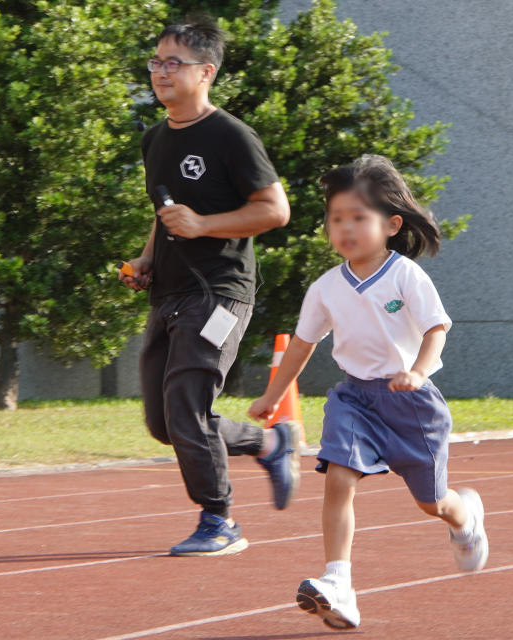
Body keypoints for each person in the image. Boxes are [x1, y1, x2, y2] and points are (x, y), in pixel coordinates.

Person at [248, 155, 488, 629]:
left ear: (392, 224)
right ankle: (339, 583)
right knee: (339, 475)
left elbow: (437, 328)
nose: (346, 228)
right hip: (354, 398)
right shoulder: (325, 288)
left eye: (359, 217)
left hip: (411, 404)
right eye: (337, 218)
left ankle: (465, 519)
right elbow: (301, 345)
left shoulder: (405, 276)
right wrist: (273, 395)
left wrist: (418, 372)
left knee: (430, 503)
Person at [119, 19, 301, 557]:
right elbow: (165, 212)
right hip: (169, 294)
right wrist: (147, 258)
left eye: (173, 62)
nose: (161, 72)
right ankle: (270, 443)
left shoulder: (231, 135)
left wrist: (203, 225)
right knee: (164, 422)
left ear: (207, 71)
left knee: (187, 404)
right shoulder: (154, 139)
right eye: (155, 62)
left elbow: (275, 210)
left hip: (220, 294)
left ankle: (219, 521)